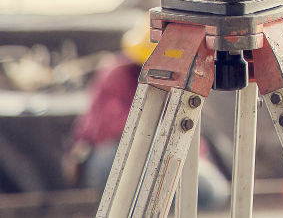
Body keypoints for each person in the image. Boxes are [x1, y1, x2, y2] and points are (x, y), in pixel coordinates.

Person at [64, 17, 230, 209]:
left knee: (210, 191)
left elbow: (186, 128)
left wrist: (192, 155)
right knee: (117, 166)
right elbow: (110, 128)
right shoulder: (117, 73)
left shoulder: (177, 79)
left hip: (157, 150)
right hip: (110, 152)